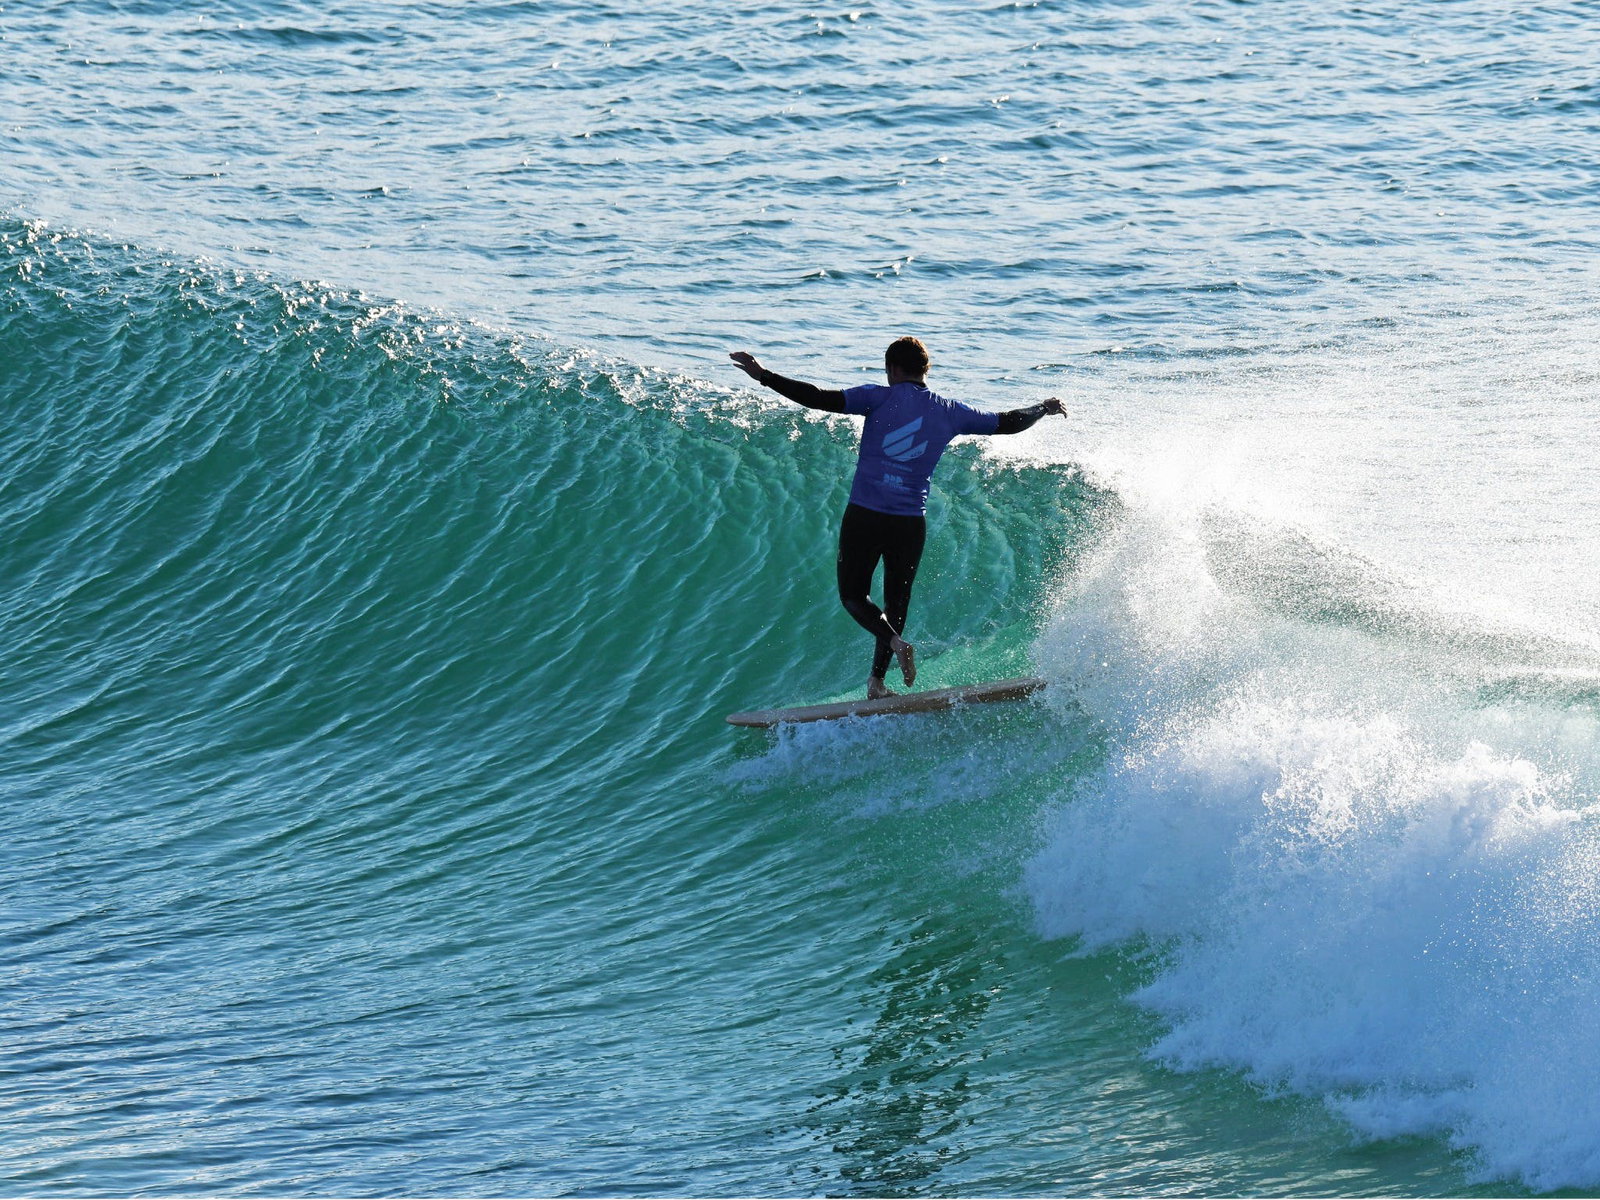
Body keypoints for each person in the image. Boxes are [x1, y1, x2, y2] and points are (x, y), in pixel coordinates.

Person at [730, 337, 1065, 699]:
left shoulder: (876, 397)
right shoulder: (949, 410)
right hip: (909, 522)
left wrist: (763, 375)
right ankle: (877, 680)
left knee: (853, 595)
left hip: (866, 514)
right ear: (925, 370)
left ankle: (892, 647)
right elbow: (1007, 423)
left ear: (891, 368)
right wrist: (1041, 408)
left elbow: (817, 397)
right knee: (896, 602)